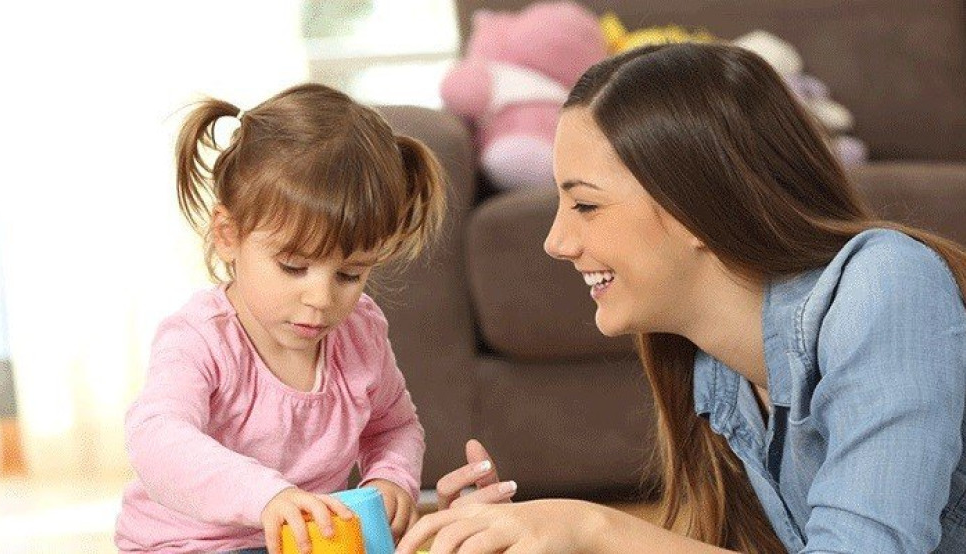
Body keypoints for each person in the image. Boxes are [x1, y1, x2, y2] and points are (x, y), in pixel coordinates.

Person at [396, 42, 966, 553]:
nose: (557, 242)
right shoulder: (717, 374)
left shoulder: (887, 287)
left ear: (697, 204)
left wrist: (596, 529)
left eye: (586, 204)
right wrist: (530, 538)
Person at [115, 83, 447, 554]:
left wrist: (390, 477)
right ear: (228, 235)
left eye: (350, 274)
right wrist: (267, 497)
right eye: (293, 266)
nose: (321, 298)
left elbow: (393, 426)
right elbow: (156, 438)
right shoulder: (200, 337)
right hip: (188, 545)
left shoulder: (361, 332)